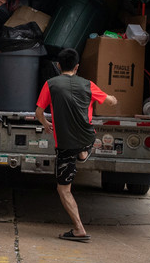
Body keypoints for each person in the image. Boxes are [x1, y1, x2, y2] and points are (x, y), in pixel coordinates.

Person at [35, 48, 117, 243]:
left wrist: (46, 124)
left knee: (64, 189)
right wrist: (114, 99)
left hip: (64, 144)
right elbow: (110, 101)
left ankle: (79, 229)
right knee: (84, 141)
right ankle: (83, 153)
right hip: (87, 139)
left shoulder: (51, 84)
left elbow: (39, 112)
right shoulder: (88, 84)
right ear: (77, 67)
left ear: (58, 66)